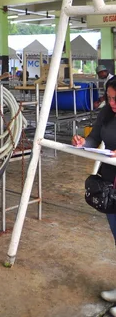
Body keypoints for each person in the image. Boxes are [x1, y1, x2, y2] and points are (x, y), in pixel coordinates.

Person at [72, 76, 116, 313]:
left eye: (115, 98)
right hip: (110, 184)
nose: (112, 102)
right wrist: (82, 143)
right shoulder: (106, 113)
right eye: (109, 98)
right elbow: (94, 138)